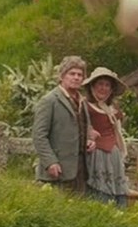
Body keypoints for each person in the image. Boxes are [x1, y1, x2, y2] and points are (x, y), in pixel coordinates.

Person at [32, 55, 93, 195]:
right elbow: (39, 135)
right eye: (72, 74)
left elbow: (85, 127)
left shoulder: (82, 102)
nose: (76, 78)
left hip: (80, 171)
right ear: (62, 76)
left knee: (78, 207)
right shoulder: (49, 101)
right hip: (57, 171)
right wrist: (50, 162)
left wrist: (90, 140)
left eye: (80, 75)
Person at [81, 67, 130, 208]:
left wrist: (121, 153)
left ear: (111, 89)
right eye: (100, 84)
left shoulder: (113, 110)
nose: (103, 88)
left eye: (107, 85)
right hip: (96, 155)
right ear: (92, 86)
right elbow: (78, 127)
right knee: (99, 190)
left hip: (114, 156)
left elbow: (118, 132)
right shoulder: (84, 106)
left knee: (116, 191)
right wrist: (88, 134)